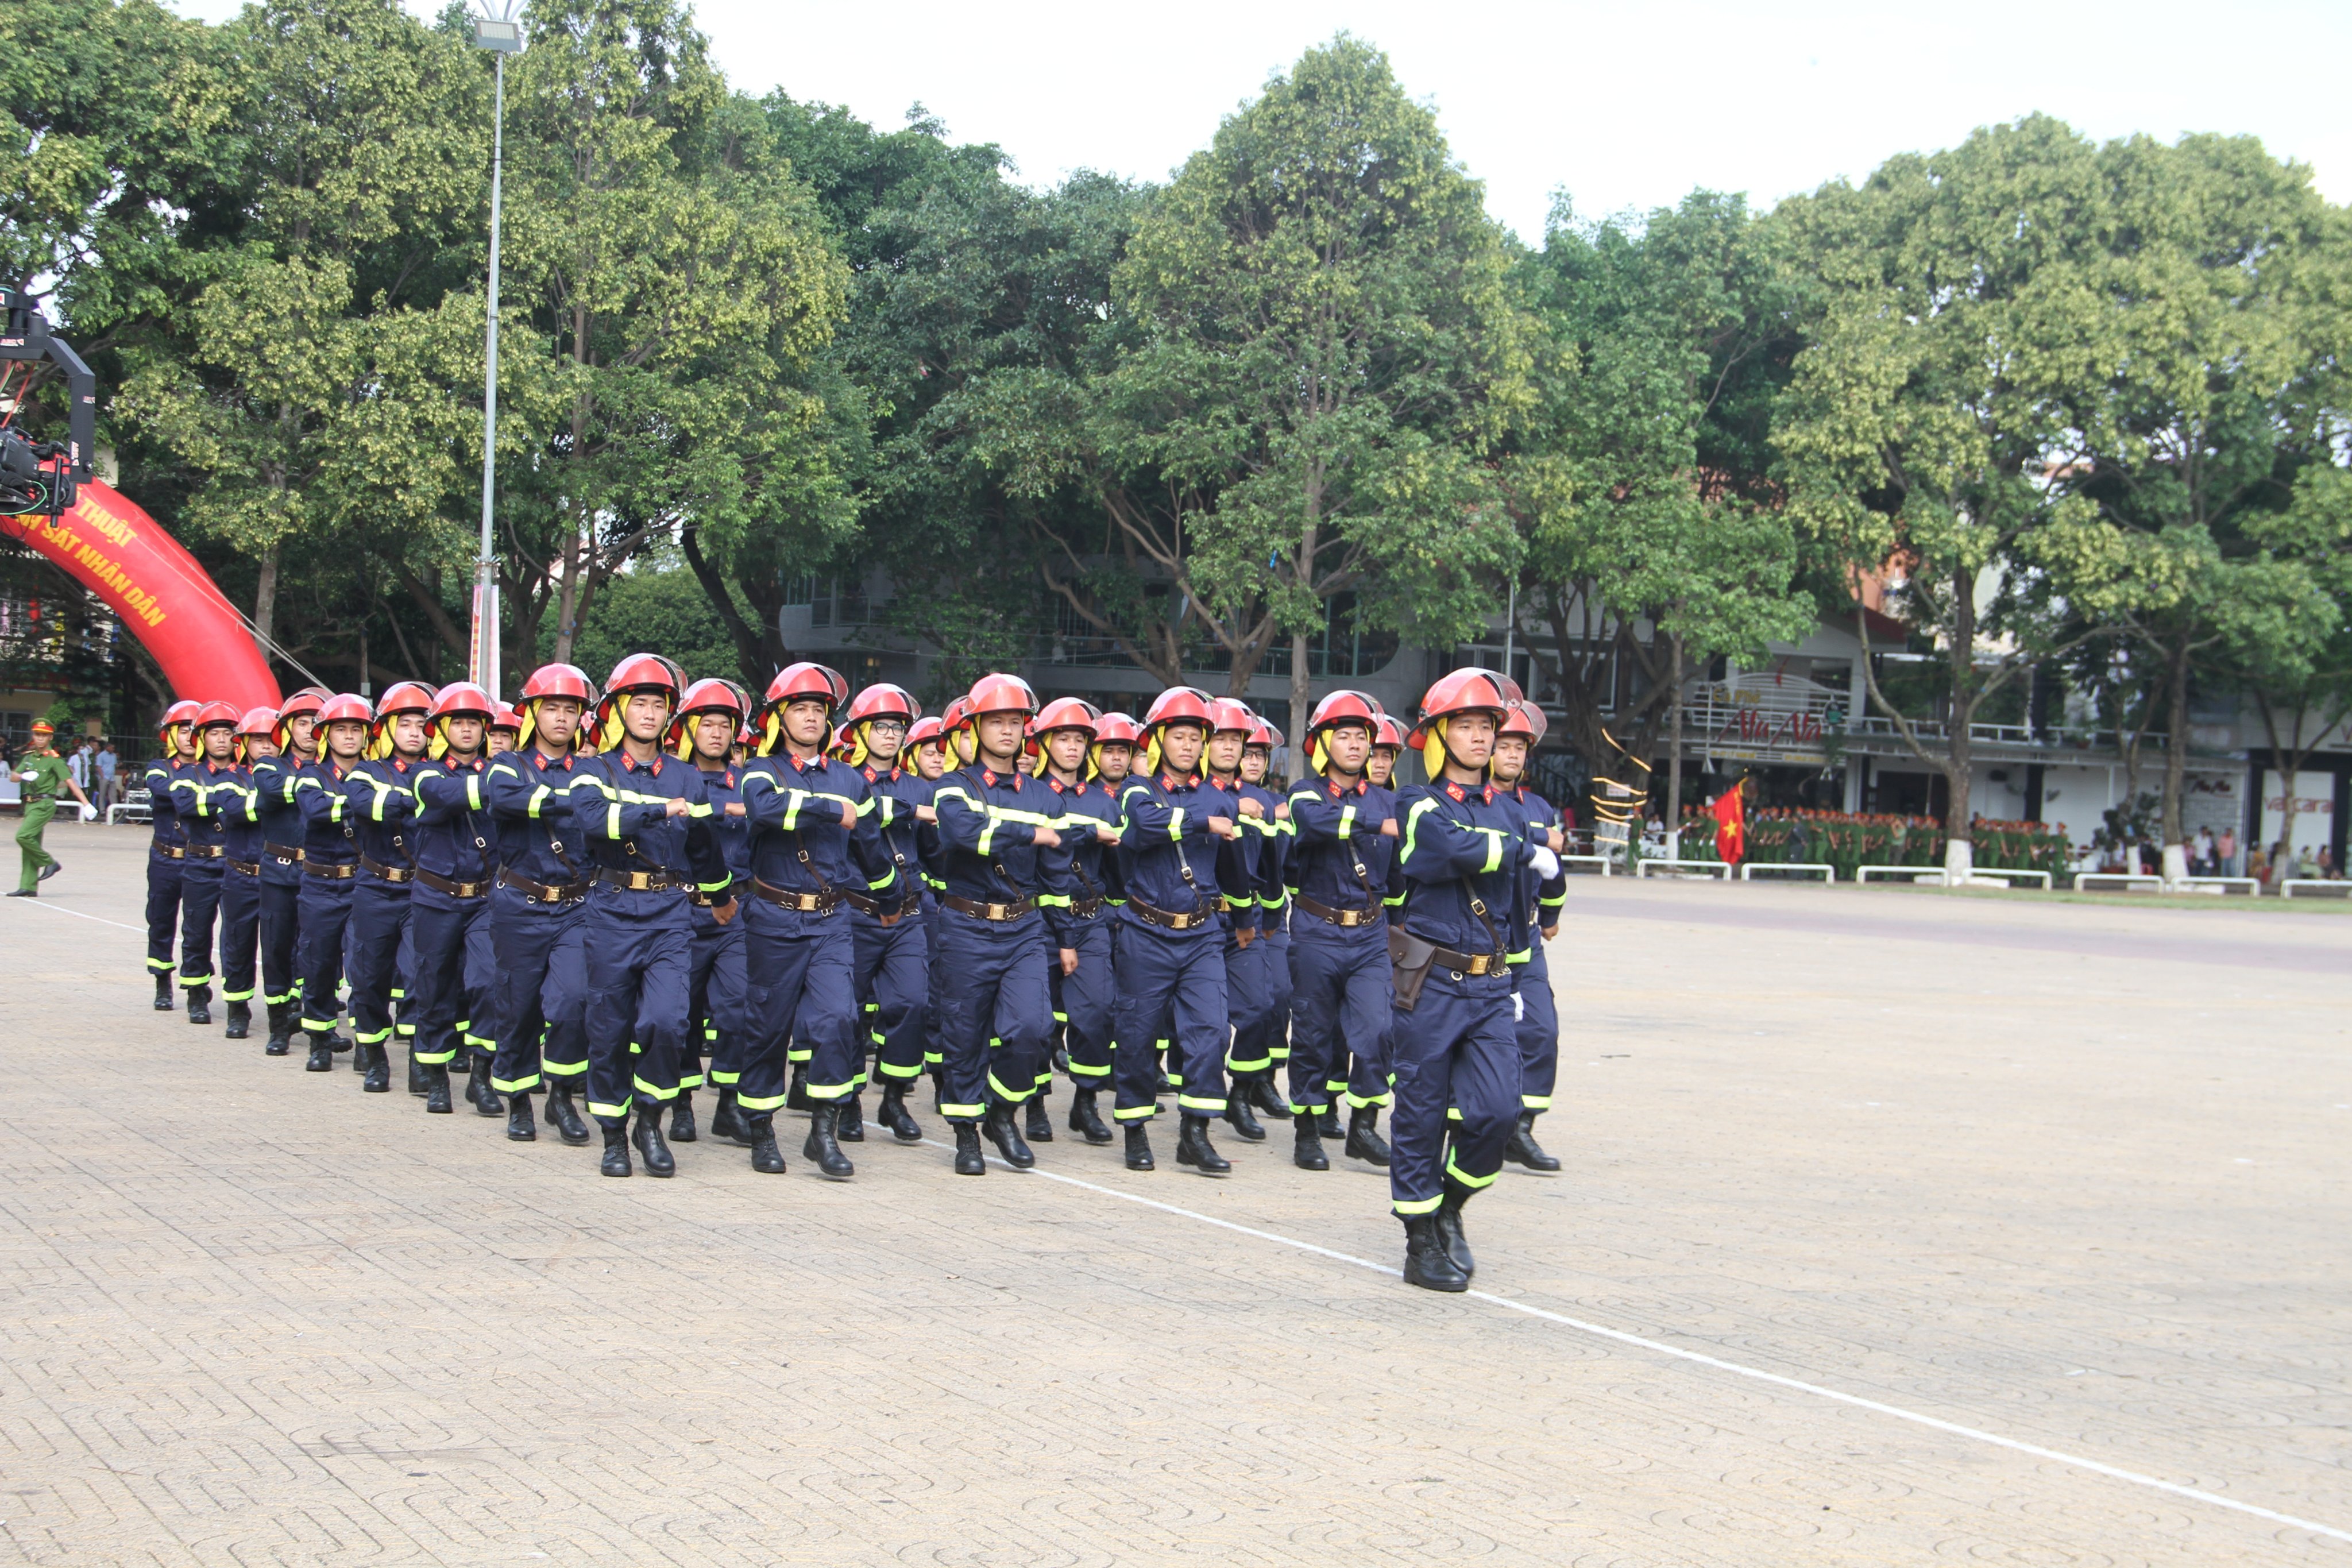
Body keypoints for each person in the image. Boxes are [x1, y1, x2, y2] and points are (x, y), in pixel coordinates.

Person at [1387, 669, 1554, 1293]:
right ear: (1438, 736)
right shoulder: (1416, 804)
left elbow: (1514, 901)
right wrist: (1521, 848)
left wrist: (1513, 978)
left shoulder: (1507, 809)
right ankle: (1418, 1239)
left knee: (1497, 1113)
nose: (1481, 737)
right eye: (1467, 726)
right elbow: (1454, 850)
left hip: (1488, 986)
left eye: (1488, 726)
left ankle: (1450, 1204)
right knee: (1421, 1115)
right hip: (1431, 982)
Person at [574, 654, 731, 1179]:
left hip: (668, 912)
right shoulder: (592, 770)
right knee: (609, 1028)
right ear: (618, 710)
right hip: (611, 910)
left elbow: (706, 846)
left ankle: (650, 1120)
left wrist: (721, 895)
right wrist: (660, 810)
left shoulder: (688, 777)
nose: (647, 712)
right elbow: (596, 823)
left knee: (667, 1023)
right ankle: (613, 1138)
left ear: (669, 715)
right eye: (637, 702)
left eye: (657, 704)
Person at [737, 662, 874, 1178]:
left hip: (832, 918)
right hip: (773, 915)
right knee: (768, 1027)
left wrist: (888, 893)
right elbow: (767, 811)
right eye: (801, 709)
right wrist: (828, 809)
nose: (812, 717)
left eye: (819, 709)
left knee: (840, 1019)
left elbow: (867, 842)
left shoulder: (850, 777)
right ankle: (761, 1130)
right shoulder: (758, 770)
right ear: (779, 718)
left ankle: (823, 1133)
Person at [929, 673, 1069, 1175]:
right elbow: (966, 834)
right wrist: (1032, 834)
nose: (1007, 731)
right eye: (996, 722)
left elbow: (1057, 874)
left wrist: (1067, 937)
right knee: (964, 1035)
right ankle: (967, 1134)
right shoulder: (953, 786)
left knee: (1032, 1028)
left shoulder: (1045, 795)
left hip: (1024, 928)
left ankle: (1002, 1112)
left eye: (1015, 722)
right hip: (966, 925)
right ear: (975, 728)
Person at [1111, 686, 1250, 1174]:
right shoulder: (1136, 789)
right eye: (1180, 737)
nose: (1189, 746)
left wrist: (1247, 921)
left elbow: (1233, 863)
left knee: (1211, 1032)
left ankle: (1195, 1132)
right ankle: (1133, 1128)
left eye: (1197, 738)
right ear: (1159, 741)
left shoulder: (1219, 797)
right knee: (1138, 1033)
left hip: (1202, 934)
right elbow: (1145, 827)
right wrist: (1204, 822)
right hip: (1145, 932)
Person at [1282, 690, 1398, 1171]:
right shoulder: (1305, 794)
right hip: (1316, 929)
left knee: (1380, 1030)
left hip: (1371, 934)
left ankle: (1364, 1126)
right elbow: (1317, 821)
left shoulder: (1391, 799)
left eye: (1362, 737)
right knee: (1311, 1034)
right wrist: (1381, 823)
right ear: (1323, 742)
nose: (1354, 745)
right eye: (1344, 736)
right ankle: (1307, 1130)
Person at [484, 664, 599, 1147]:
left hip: (575, 905)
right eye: (551, 708)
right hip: (520, 903)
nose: (560, 718)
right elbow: (510, 800)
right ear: (532, 713)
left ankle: (561, 1097)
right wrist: (576, 800)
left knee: (573, 1001)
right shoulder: (508, 765)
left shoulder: (594, 767)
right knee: (518, 1005)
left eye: (570, 710)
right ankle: (517, 1099)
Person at [838, 681, 933, 1144]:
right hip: (857, 912)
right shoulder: (844, 779)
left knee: (911, 1002)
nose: (890, 735)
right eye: (881, 727)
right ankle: (849, 1101)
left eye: (897, 727)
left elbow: (936, 845)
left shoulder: (920, 786)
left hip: (909, 915)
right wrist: (909, 811)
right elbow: (864, 817)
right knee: (849, 1012)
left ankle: (894, 1096)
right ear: (859, 731)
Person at [408, 682, 502, 1117]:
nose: (467, 730)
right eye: (458, 722)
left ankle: (481, 1076)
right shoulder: (426, 772)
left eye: (474, 722)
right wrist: (499, 791)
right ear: (441, 729)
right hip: (436, 897)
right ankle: (436, 1076)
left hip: (484, 898)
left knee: (486, 982)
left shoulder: (498, 770)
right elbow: (440, 797)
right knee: (433, 986)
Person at [1032, 697, 1121, 1145]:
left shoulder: (1105, 800)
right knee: (1036, 1019)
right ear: (1046, 743)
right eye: (1062, 738)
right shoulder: (1029, 793)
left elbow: (1119, 863)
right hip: (1038, 921)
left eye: (1079, 740)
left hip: (1090, 920)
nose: (1071, 747)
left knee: (1098, 1012)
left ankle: (1085, 1101)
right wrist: (1087, 833)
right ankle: (1033, 1102)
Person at [668, 679, 752, 1146]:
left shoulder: (747, 780)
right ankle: (681, 1104)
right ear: (689, 729)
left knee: (738, 1008)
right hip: (682, 907)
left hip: (735, 911)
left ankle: (728, 1103)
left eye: (726, 725)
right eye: (708, 724)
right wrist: (727, 808)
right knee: (683, 1013)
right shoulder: (673, 776)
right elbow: (686, 814)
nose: (717, 733)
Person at [343, 682, 435, 1095]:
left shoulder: (439, 772)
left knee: (420, 976)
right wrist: (422, 797)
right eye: (407, 724)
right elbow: (367, 807)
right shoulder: (365, 772)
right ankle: (374, 1054)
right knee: (370, 975)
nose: (415, 733)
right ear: (387, 729)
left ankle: (418, 1059)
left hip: (422, 889)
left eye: (422, 725)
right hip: (376, 885)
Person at [1490, 700, 1568, 1174]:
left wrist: (1553, 912)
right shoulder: (1473, 799)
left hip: (1527, 942)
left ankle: (1521, 1128)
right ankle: (1467, 1127)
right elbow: (1541, 841)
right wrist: (1543, 836)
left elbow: (1555, 866)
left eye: (1520, 747)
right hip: (1480, 942)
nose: (1513, 755)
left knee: (1541, 1030)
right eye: (1505, 745)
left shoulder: (1538, 806)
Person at [1200, 698, 1275, 1144]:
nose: (1230, 748)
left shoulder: (1261, 799)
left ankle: (1241, 1095)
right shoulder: (1196, 795)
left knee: (1261, 1007)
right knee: (1206, 1023)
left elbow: (1268, 862)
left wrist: (1270, 911)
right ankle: (1200, 1108)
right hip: (1203, 921)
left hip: (1248, 921)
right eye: (1221, 739)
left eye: (1236, 740)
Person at [294, 694, 372, 1068]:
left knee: (365, 964)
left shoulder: (377, 772)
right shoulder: (310, 775)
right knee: (319, 961)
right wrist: (365, 803)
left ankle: (365, 1041)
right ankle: (320, 1038)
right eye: (340, 729)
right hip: (321, 883)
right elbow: (315, 809)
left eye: (355, 729)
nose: (349, 736)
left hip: (363, 880)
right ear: (326, 735)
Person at [249, 690, 324, 1055]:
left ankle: (315, 1025)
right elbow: (274, 790)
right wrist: (321, 791)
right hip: (279, 872)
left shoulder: (335, 768)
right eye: (302, 723)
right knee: (277, 947)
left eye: (315, 722)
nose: (310, 730)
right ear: (287, 730)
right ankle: (279, 1025)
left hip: (320, 872)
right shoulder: (269, 766)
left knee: (316, 951)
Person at [167, 702, 245, 1026]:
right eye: (214, 733)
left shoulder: (246, 774)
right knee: (197, 931)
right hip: (200, 861)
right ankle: (196, 991)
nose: (222, 740)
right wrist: (228, 798)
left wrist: (215, 798)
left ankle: (236, 1002)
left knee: (236, 937)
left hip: (234, 863)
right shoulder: (187, 773)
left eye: (228, 733)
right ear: (202, 738)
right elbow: (186, 804)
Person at [212, 708, 276, 1040]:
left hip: (280, 876)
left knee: (284, 946)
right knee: (238, 943)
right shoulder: (229, 777)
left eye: (271, 739)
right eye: (258, 740)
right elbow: (236, 810)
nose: (266, 746)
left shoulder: (290, 774)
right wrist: (274, 797)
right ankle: (238, 1008)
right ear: (245, 744)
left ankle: (286, 1012)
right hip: (241, 875)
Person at [143, 700, 201, 1009]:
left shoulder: (213, 770)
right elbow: (162, 790)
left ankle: (195, 989)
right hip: (165, 858)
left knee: (196, 925)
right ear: (170, 735)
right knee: (161, 919)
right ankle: (161, 980)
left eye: (195, 730)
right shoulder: (158, 767)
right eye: (183, 730)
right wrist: (198, 789)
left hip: (200, 859)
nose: (189, 736)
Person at [10, 718, 92, 898]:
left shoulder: (55, 760)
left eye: (44, 736)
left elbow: (71, 783)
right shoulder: (30, 757)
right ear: (33, 736)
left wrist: (86, 803)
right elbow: (13, 777)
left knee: (23, 836)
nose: (40, 739)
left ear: (50, 738)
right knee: (31, 842)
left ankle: (50, 863)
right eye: (37, 735)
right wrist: (24, 776)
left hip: (45, 804)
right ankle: (28, 886)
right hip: (30, 804)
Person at [94, 739, 118, 817]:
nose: (113, 750)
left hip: (112, 777)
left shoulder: (114, 756)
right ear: (107, 747)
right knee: (102, 794)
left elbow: (114, 765)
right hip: (104, 777)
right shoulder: (101, 756)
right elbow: (99, 767)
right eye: (112, 748)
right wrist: (102, 776)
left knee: (113, 794)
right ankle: (102, 810)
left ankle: (115, 810)